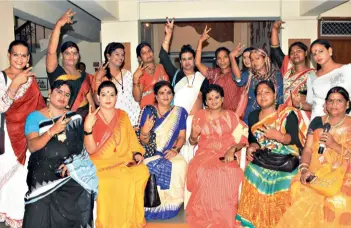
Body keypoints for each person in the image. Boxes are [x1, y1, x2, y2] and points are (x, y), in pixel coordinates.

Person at [23, 80, 97, 227]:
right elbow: (32, 146)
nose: (63, 96)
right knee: (38, 210)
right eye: (59, 92)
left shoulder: (75, 118)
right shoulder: (34, 117)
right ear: (50, 93)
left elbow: (82, 150)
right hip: (42, 173)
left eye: (67, 94)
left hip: (68, 171)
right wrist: (52, 131)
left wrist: (73, 165)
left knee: (79, 191)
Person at [276, 86, 351, 228]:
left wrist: (334, 145)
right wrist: (304, 169)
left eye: (339, 101)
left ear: (347, 104)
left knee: (337, 200)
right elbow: (308, 149)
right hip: (316, 170)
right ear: (325, 104)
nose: (334, 104)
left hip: (343, 173)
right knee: (299, 188)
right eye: (330, 101)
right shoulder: (317, 121)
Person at [235, 80, 306, 228]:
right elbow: (253, 139)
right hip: (266, 157)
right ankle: (255, 222)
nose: (263, 95)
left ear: (275, 95)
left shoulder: (286, 113)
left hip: (286, 159)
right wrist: (251, 147)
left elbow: (294, 139)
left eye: (266, 92)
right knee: (251, 171)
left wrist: (278, 136)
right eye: (259, 93)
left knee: (284, 181)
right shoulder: (254, 116)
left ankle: (279, 224)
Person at [84, 81, 149, 227]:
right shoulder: (91, 117)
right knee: (117, 180)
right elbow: (91, 150)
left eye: (112, 94)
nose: (108, 98)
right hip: (101, 163)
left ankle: (132, 221)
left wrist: (137, 153)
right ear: (98, 98)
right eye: (104, 94)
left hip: (123, 159)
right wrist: (88, 128)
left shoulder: (122, 115)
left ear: (116, 97)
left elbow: (132, 140)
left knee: (142, 171)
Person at [186, 84, 248, 228]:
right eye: (210, 98)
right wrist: (194, 135)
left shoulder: (231, 116)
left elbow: (243, 138)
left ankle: (223, 217)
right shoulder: (200, 115)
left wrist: (232, 149)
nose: (213, 101)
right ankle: (208, 217)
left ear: (222, 99)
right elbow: (191, 141)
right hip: (205, 154)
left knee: (231, 172)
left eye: (216, 97)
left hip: (227, 154)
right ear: (206, 101)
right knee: (205, 171)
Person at [0, 40, 46, 227]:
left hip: (28, 134)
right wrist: (14, 85)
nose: (19, 59)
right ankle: (6, 214)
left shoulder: (31, 78)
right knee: (8, 178)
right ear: (9, 55)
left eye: (23, 55)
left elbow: (39, 106)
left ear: (28, 58)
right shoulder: (1, 77)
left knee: (23, 179)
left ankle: (19, 217)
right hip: (8, 136)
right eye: (15, 54)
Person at [137, 81, 188, 220]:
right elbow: (143, 140)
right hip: (149, 152)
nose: (165, 96)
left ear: (172, 95)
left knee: (179, 164)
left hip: (170, 151)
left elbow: (182, 136)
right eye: (161, 93)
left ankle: (171, 205)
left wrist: (175, 150)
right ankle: (150, 206)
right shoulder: (148, 111)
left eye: (168, 92)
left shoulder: (179, 112)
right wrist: (145, 131)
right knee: (148, 166)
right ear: (156, 96)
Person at [46, 9, 95, 119]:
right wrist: (58, 25)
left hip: (86, 118)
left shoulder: (83, 75)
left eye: (74, 53)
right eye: (67, 53)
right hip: (65, 118)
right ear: (62, 55)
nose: (71, 56)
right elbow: (51, 52)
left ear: (78, 56)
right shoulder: (56, 71)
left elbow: (90, 100)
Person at [270, 20, 316, 116]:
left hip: (304, 115)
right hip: (285, 114)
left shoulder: (314, 74)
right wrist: (274, 29)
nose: (295, 54)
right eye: (292, 52)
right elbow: (275, 50)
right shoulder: (287, 69)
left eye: (299, 51)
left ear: (306, 53)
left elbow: (317, 100)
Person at [297, 39, 351, 120]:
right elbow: (311, 104)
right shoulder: (312, 77)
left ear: (329, 51)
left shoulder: (347, 69)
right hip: (319, 120)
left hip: (344, 120)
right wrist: (299, 104)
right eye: (314, 54)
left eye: (320, 51)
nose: (317, 56)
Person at [195, 26, 244, 112]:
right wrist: (200, 42)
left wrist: (232, 57)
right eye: (219, 58)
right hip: (217, 115)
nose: (222, 60)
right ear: (217, 62)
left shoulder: (235, 72)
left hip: (235, 116)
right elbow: (197, 63)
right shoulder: (214, 74)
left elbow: (239, 79)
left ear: (229, 58)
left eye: (225, 57)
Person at [231, 46, 284, 124]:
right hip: (251, 117)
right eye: (252, 60)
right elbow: (239, 80)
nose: (254, 62)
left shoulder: (277, 76)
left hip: (273, 117)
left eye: (257, 58)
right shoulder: (249, 75)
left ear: (265, 59)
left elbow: (281, 98)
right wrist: (232, 57)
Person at [93, 42, 140, 126]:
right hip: (113, 120)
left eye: (122, 55)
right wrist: (98, 80)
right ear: (108, 56)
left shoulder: (127, 74)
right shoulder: (100, 77)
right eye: (117, 54)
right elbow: (97, 101)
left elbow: (136, 98)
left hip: (133, 118)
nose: (120, 57)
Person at [133, 42, 169, 108]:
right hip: (149, 109)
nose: (148, 54)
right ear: (139, 58)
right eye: (144, 53)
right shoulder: (140, 74)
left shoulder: (160, 67)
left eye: (149, 51)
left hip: (164, 107)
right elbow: (137, 98)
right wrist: (135, 78)